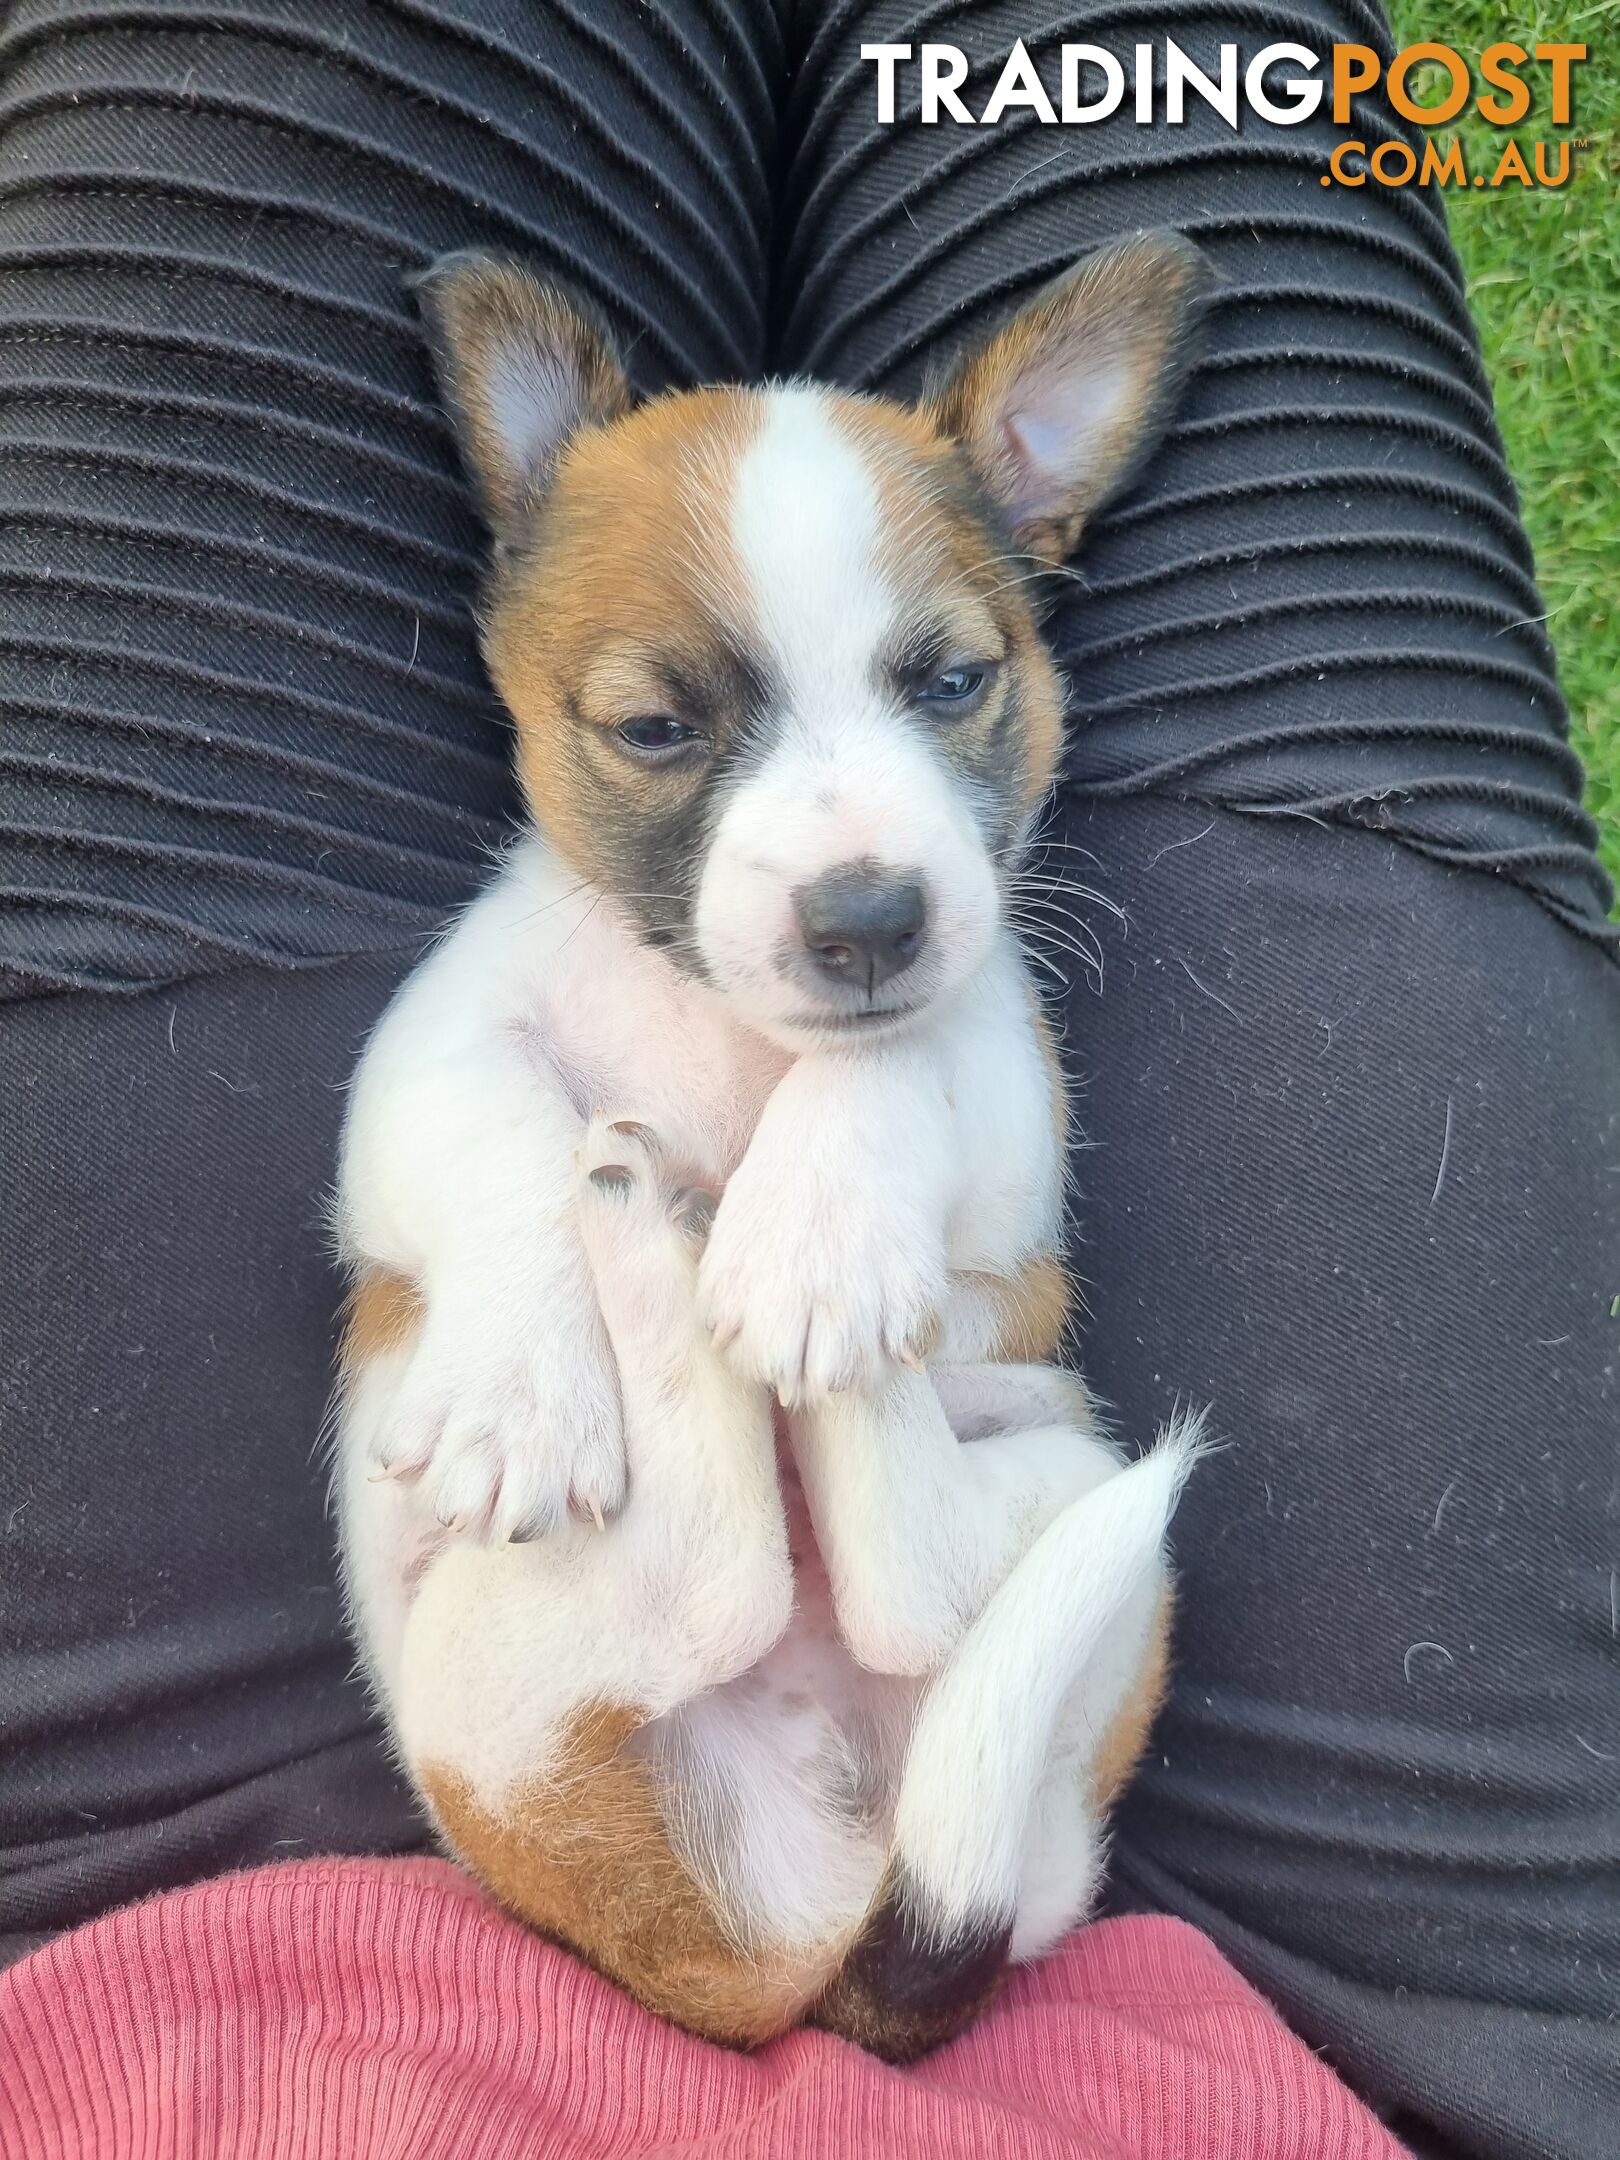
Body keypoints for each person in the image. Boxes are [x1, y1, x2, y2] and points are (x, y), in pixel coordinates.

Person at [1, 5, 1613, 2155]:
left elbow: (453, 1101)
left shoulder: (648, 941)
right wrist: (579, 1235)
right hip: (1300, 2019)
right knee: (1169, 64)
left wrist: (594, 1225)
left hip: (215, 1949)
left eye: (943, 686)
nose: (853, 866)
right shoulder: (614, 931)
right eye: (675, 728)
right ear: (529, 655)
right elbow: (495, 1107)